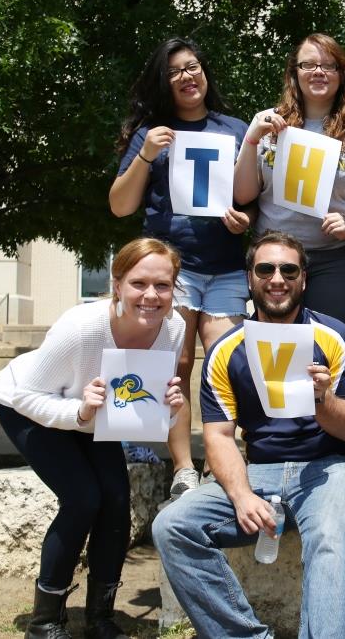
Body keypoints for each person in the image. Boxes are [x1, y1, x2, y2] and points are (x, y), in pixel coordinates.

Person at [152, 230, 345, 639]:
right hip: (259, 471)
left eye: (289, 269)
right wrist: (240, 494)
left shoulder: (336, 337)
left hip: (330, 469)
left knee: (331, 539)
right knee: (172, 526)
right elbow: (218, 436)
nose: (277, 279)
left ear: (304, 278)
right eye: (265, 269)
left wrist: (323, 399)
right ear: (249, 278)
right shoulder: (226, 348)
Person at [0, 238, 187, 639]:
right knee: (83, 499)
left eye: (163, 286)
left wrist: (170, 405)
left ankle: (100, 618)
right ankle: (45, 622)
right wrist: (78, 412)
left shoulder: (174, 328)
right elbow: (28, 394)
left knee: (116, 502)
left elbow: (143, 410)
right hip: (28, 407)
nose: (151, 295)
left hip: (92, 421)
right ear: (117, 285)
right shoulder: (81, 327)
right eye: (139, 283)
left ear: (174, 288)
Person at [110, 37, 250, 497]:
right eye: (175, 71)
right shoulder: (152, 133)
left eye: (193, 67)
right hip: (174, 270)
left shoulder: (235, 128)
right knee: (176, 361)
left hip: (227, 267)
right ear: (163, 83)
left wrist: (244, 217)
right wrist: (147, 152)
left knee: (229, 360)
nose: (187, 77)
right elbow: (120, 205)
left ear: (205, 73)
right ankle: (183, 467)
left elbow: (253, 195)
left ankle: (226, 457)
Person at [234, 33, 345, 327]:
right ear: (294, 73)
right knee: (273, 349)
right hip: (274, 260)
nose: (318, 72)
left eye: (329, 65)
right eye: (308, 65)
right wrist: (252, 139)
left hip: (336, 260)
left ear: (341, 74)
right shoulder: (266, 122)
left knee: (325, 350)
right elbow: (243, 196)